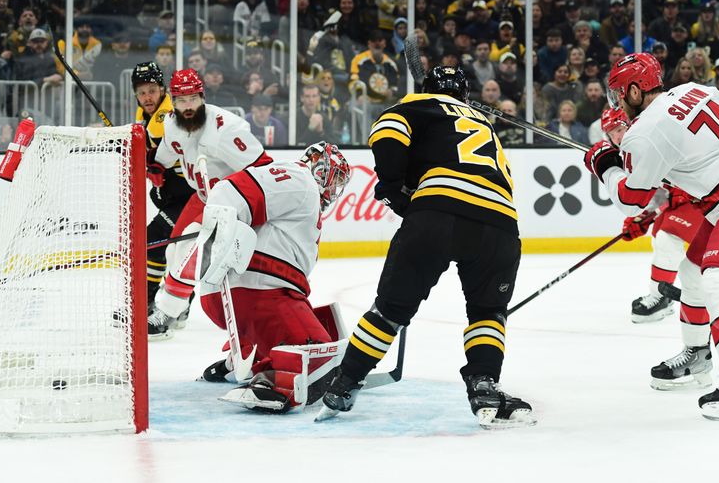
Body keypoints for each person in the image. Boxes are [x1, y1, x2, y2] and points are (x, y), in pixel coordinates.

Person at [317, 66, 535, 429]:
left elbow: (387, 133)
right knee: (488, 313)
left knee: (389, 311)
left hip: (439, 212)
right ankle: (484, 384)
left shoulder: (418, 104)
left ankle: (345, 382)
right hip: (500, 223)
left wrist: (391, 185)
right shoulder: (482, 122)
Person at [585, 52, 719, 419]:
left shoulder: (644, 131)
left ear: (632, 90)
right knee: (692, 273)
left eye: (617, 95)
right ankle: (698, 358)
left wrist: (605, 164)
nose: (617, 105)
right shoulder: (694, 89)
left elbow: (631, 200)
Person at [191, 141, 351, 413]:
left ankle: (240, 359)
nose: (335, 190)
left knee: (325, 335)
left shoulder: (304, 196)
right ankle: (269, 380)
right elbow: (228, 193)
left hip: (254, 294)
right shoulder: (301, 180)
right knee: (319, 358)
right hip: (256, 293)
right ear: (320, 168)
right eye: (334, 178)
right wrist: (220, 249)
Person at [147, 69, 269, 337]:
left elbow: (262, 167)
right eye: (181, 100)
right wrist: (157, 166)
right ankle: (178, 309)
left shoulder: (227, 128)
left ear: (202, 97)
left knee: (189, 251)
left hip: (230, 202)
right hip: (202, 197)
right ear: (173, 101)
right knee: (174, 249)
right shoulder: (171, 123)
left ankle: (168, 313)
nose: (187, 106)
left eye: (192, 98)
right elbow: (170, 148)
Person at [600, 107, 706, 323]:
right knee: (663, 236)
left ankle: (665, 297)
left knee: (669, 236)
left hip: (703, 197)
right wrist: (645, 216)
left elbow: (683, 168)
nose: (617, 137)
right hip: (687, 200)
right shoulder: (630, 152)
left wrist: (673, 197)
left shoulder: (649, 137)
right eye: (611, 133)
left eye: (620, 129)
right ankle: (662, 297)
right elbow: (658, 191)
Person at [131, 62, 194, 339]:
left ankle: (161, 308)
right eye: (142, 92)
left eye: (152, 91)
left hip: (191, 193)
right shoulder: (148, 113)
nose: (147, 97)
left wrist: (150, 161)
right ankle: (178, 306)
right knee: (172, 249)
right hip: (176, 193)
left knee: (154, 241)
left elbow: (157, 153)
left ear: (162, 90)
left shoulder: (166, 115)